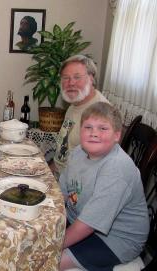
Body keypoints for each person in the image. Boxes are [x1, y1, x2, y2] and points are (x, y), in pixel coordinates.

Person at [59, 102, 149, 271]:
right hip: (79, 219)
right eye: (88, 127)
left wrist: (54, 245)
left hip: (116, 239)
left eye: (103, 128)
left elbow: (87, 224)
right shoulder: (78, 152)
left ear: (117, 135)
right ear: (80, 131)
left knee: (49, 260)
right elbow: (62, 193)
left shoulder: (117, 168)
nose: (94, 133)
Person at [52, 55, 110, 175]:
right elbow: (65, 149)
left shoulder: (101, 114)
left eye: (77, 77)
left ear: (91, 79)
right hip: (59, 173)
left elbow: (94, 171)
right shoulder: (75, 103)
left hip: (73, 184)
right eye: (66, 78)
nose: (71, 83)